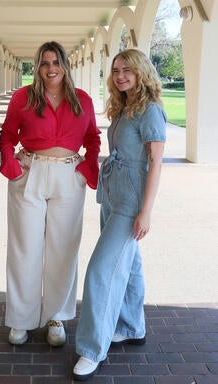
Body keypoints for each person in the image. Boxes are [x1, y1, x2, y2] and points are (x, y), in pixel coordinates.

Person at [0, 41, 101, 347]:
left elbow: (93, 137)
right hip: (30, 171)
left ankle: (56, 316)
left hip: (69, 174)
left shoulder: (82, 99)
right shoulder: (23, 98)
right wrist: (11, 166)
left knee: (63, 248)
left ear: (65, 65)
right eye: (44, 63)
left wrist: (87, 167)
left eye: (56, 62)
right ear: (37, 66)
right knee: (25, 247)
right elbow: (7, 135)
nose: (50, 68)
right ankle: (21, 319)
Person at [73, 48, 166, 381]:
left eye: (127, 70)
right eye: (115, 70)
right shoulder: (125, 107)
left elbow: (155, 162)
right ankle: (130, 325)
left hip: (131, 202)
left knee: (101, 270)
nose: (120, 75)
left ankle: (91, 349)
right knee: (130, 263)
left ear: (141, 72)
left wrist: (146, 211)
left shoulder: (151, 110)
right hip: (113, 194)